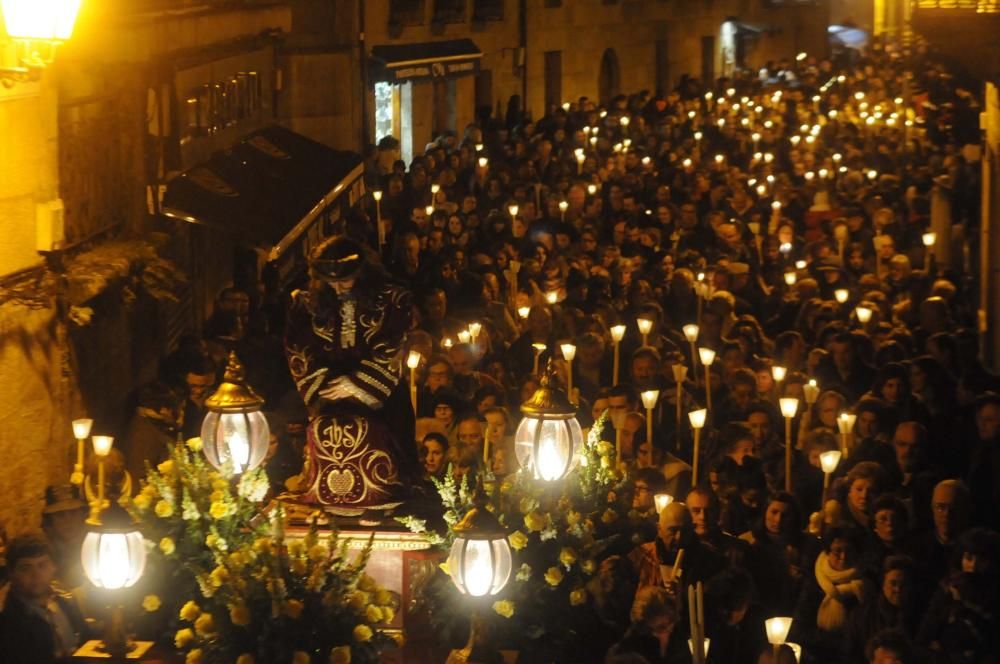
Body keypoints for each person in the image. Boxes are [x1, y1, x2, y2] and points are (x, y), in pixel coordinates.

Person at [283, 236, 419, 510]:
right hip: (327, 390)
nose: (337, 287)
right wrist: (325, 389)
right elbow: (298, 347)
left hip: (380, 394)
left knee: (391, 447)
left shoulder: (393, 299)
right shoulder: (305, 304)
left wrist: (356, 385)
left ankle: (388, 500)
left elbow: (391, 344)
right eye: (330, 282)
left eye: (344, 281)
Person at [0, 535, 91, 663]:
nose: (36, 575)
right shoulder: (7, 620)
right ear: (12, 573)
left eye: (42, 565)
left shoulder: (65, 601)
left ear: (53, 567)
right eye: (26, 568)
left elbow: (86, 640)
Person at [605, 586, 689, 663]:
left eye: (671, 621)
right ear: (647, 626)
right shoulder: (629, 650)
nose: (669, 629)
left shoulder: (677, 634)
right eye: (661, 627)